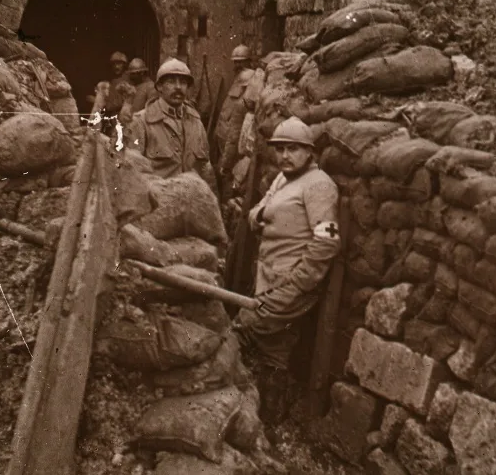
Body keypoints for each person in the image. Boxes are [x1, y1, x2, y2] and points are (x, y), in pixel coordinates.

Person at [236, 116, 341, 424]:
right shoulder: (283, 179)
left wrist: (298, 284)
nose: (284, 156)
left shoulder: (319, 185)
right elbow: (255, 213)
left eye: (293, 149)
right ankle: (266, 416)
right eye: (279, 149)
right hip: (268, 277)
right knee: (274, 348)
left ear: (309, 152)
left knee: (244, 330)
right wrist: (265, 213)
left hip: (292, 285)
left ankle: (261, 416)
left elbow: (327, 242)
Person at [126, 57, 217, 193]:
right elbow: (131, 174)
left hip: (191, 204)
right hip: (158, 206)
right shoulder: (141, 122)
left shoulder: (196, 122)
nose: (178, 87)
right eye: (171, 82)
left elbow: (205, 168)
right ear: (159, 87)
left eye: (183, 82)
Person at [215, 45, 261, 187]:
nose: (237, 65)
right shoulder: (237, 79)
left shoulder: (252, 80)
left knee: (229, 178)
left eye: (241, 61)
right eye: (235, 62)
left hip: (235, 140)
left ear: (249, 61)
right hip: (223, 136)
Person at [90, 51, 131, 135]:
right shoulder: (114, 81)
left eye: (119, 64)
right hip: (114, 119)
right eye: (114, 64)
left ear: (124, 65)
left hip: (122, 119)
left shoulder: (126, 80)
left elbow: (117, 103)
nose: (116, 67)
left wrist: (98, 101)